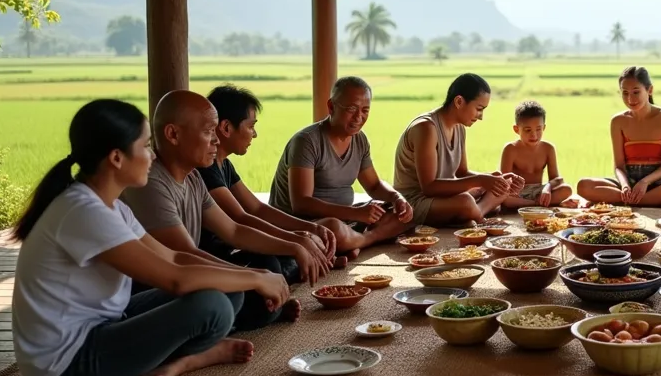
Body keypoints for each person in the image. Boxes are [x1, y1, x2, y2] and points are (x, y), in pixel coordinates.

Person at [11, 99, 288, 376]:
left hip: (109, 324)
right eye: (145, 147)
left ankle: (157, 364)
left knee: (228, 289)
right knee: (213, 307)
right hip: (66, 367)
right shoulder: (83, 211)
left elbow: (173, 256)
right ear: (117, 158)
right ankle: (188, 360)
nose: (152, 156)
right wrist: (259, 280)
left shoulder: (113, 207)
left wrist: (252, 274)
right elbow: (175, 278)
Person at [123, 90, 325, 331]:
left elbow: (235, 230)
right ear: (173, 134)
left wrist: (295, 245)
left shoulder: (193, 178)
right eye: (208, 132)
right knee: (231, 295)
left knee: (265, 263)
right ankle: (245, 318)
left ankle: (257, 311)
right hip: (156, 287)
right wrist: (253, 279)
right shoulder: (151, 182)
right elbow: (184, 255)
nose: (216, 140)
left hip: (187, 273)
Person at [202, 85, 377, 262]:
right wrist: (296, 238)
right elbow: (241, 219)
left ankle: (334, 253)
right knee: (276, 259)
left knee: (313, 239)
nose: (254, 134)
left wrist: (309, 230)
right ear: (225, 128)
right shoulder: (206, 169)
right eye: (251, 126)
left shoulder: (224, 166)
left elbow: (258, 208)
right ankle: (357, 244)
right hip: (216, 256)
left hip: (236, 244)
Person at [268, 76, 414, 244]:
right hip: (304, 224)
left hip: (345, 218)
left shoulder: (360, 140)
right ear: (331, 107)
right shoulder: (306, 141)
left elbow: (373, 185)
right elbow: (301, 204)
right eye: (352, 109)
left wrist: (397, 198)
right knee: (334, 228)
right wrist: (355, 214)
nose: (359, 117)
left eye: (365, 110)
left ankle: (353, 243)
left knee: (400, 214)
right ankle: (364, 241)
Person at [393, 73, 525, 225]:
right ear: (459, 101)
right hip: (414, 202)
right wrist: (481, 180)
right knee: (465, 201)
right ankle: (478, 215)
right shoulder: (426, 128)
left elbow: (462, 173)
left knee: (503, 184)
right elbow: (429, 188)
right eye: (479, 108)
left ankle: (472, 214)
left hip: (443, 197)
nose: (481, 116)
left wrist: (493, 179)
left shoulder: (459, 128)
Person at [576, 66, 661, 207]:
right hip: (629, 181)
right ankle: (642, 200)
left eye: (636, 92)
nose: (630, 98)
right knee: (583, 186)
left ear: (649, 90)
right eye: (625, 93)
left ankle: (629, 202)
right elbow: (619, 166)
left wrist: (645, 182)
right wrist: (625, 185)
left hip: (660, 182)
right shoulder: (618, 121)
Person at [500, 100, 574, 208]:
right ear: (516, 129)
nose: (534, 135)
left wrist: (547, 187)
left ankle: (538, 202)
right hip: (517, 194)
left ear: (544, 127)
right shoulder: (510, 149)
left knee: (566, 189)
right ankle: (538, 204)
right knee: (503, 197)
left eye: (538, 129)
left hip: (540, 192)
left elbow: (557, 180)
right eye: (527, 130)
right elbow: (504, 182)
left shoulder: (548, 148)